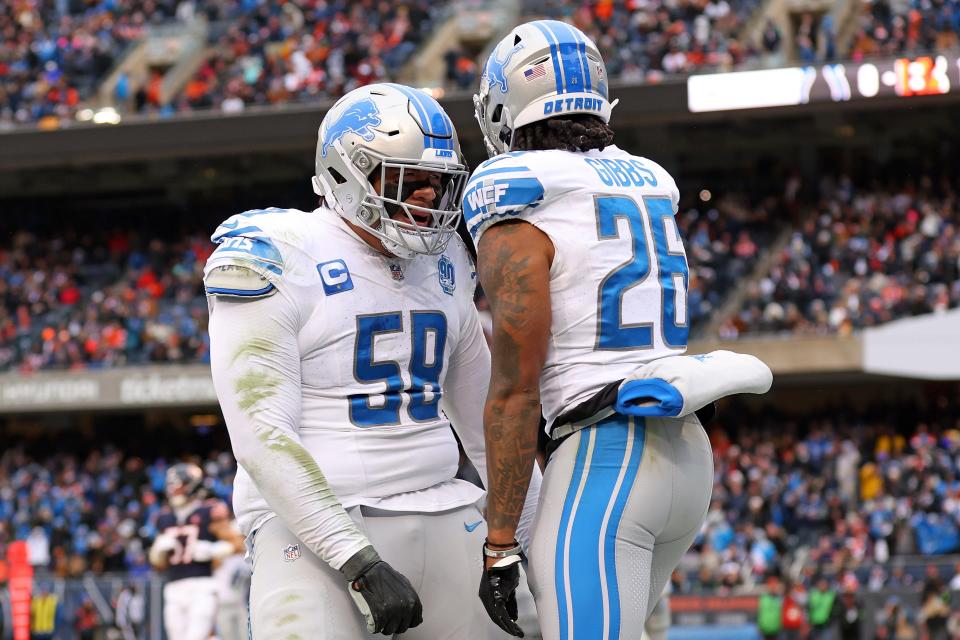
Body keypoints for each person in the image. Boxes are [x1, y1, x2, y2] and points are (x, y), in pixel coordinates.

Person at [206, 83, 540, 639]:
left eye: (438, 182)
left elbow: (487, 419)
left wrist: (526, 541)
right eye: (410, 180)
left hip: (445, 509)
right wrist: (356, 559)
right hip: (317, 531)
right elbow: (261, 433)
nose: (430, 197)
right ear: (348, 173)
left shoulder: (449, 258)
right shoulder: (276, 252)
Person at [466, 20, 754, 639]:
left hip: (607, 460)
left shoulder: (518, 194)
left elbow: (516, 389)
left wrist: (499, 543)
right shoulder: (646, 178)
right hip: (685, 456)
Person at [148, 463, 244, 640]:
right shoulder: (164, 517)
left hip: (203, 585)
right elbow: (158, 564)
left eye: (180, 484)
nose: (175, 490)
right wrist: (157, 552)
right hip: (174, 587)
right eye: (172, 485)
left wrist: (213, 550)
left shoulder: (210, 510)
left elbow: (239, 544)